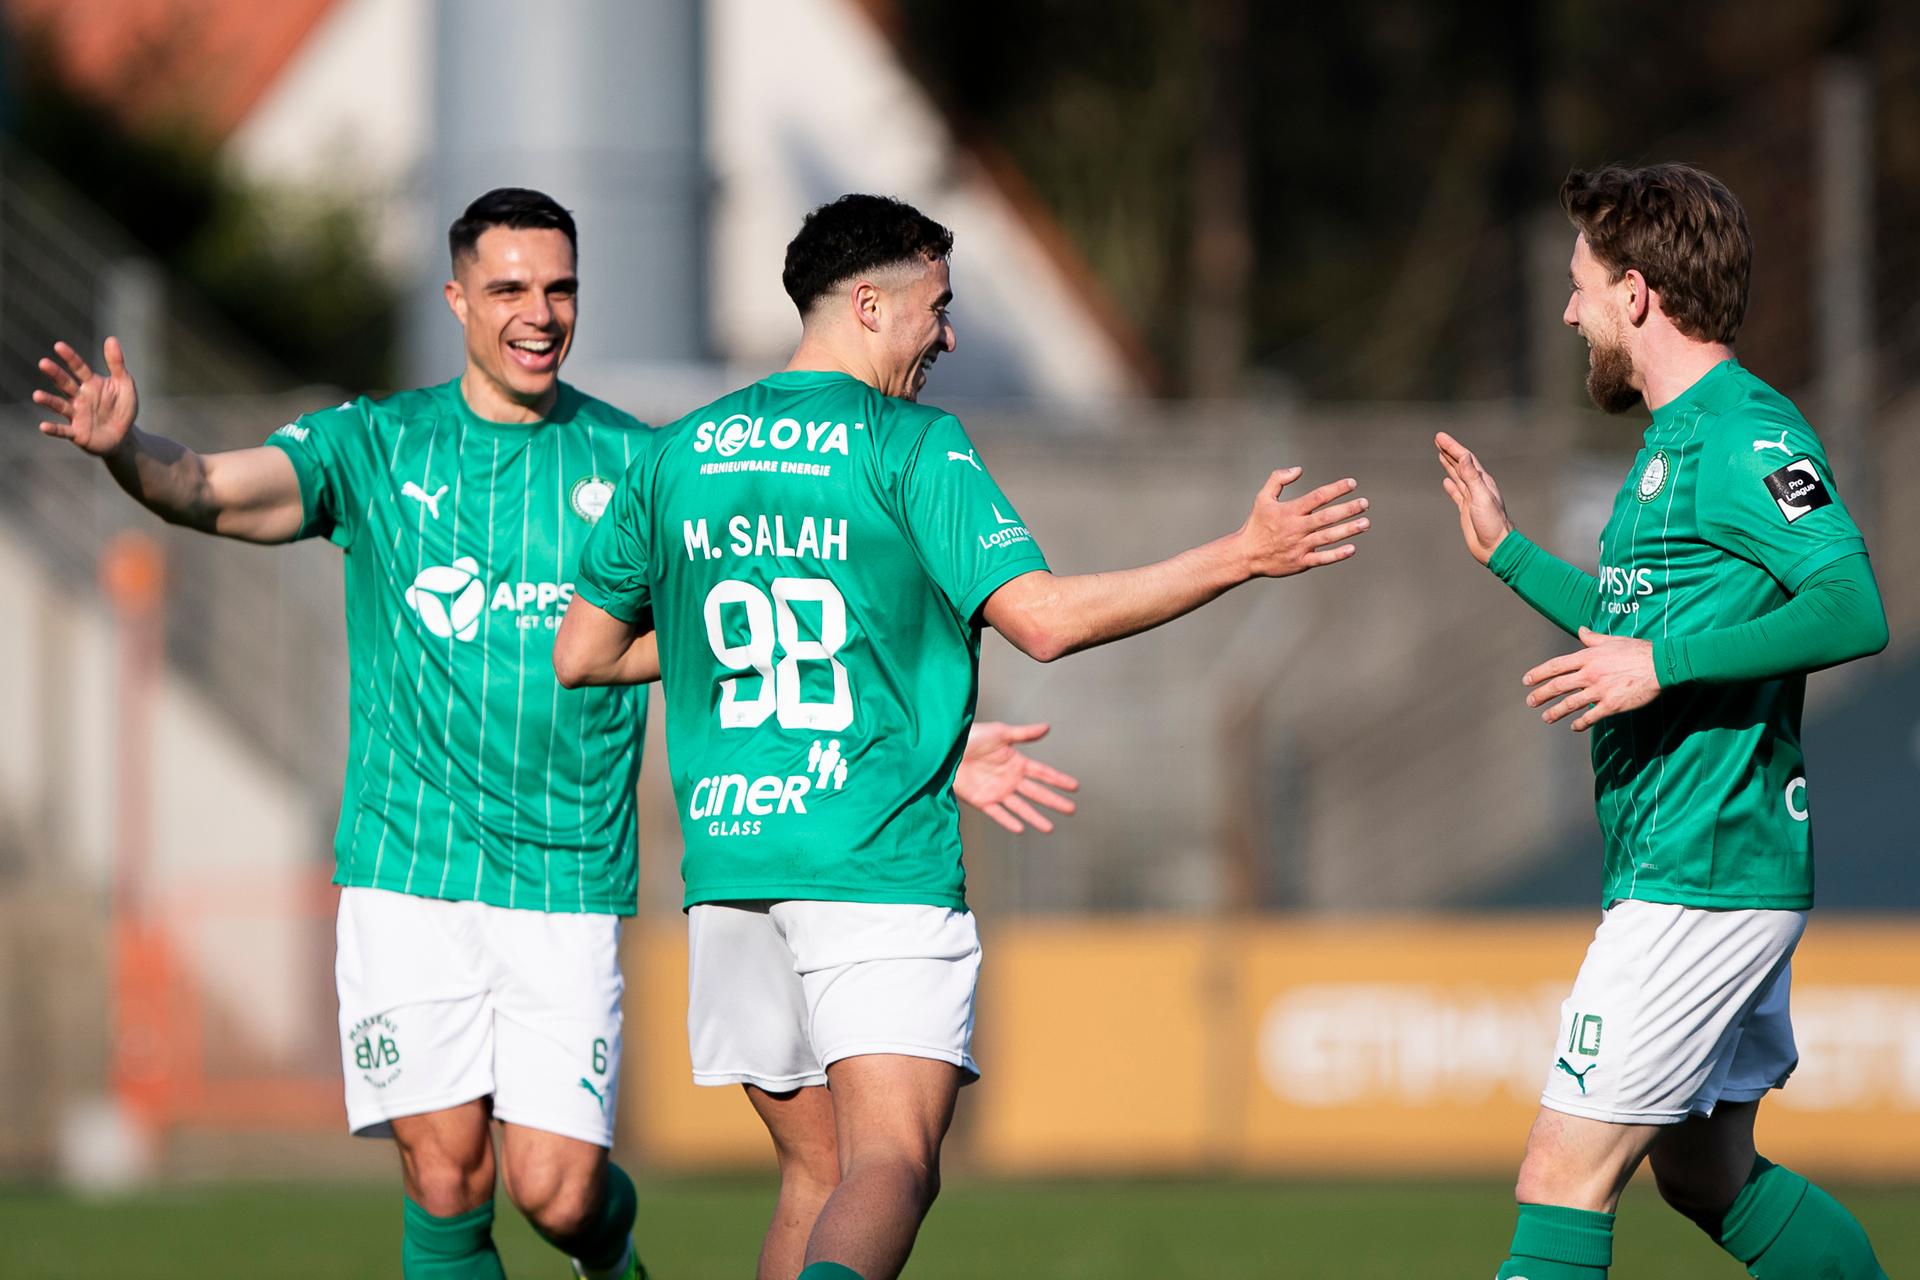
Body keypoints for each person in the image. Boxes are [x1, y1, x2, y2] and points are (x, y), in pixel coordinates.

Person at [31, 187, 1077, 1280]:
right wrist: (127, 452)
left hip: (568, 873)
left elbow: (788, 619)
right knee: (447, 1177)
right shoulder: (380, 446)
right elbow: (208, 487)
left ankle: (609, 1251)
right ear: (457, 299)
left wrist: (937, 752)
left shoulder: (643, 459)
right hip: (409, 866)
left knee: (558, 1188)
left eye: (560, 286)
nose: (540, 311)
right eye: (509, 288)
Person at [553, 192, 1371, 1280]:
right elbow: (1044, 620)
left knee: (818, 1170)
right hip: (871, 856)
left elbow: (586, 653)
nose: (948, 334)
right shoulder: (909, 442)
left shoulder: (676, 454)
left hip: (732, 866)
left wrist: (900, 706)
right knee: (891, 1161)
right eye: (937, 308)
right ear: (869, 302)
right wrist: (1240, 553)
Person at [1436, 163, 1889, 1280]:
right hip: (1689, 861)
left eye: (1581, 285)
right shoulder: (1668, 445)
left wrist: (1664, 667)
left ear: (1636, 294)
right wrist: (1507, 553)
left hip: (1705, 870)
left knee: (1560, 1177)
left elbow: (1854, 606)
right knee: (1703, 1172)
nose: (1568, 310)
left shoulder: (1745, 436)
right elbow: (1630, 629)